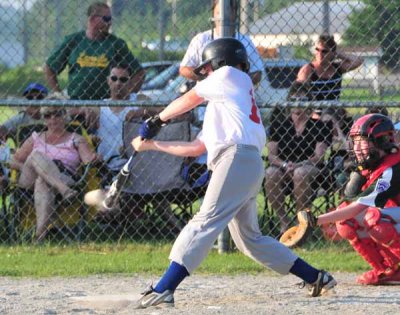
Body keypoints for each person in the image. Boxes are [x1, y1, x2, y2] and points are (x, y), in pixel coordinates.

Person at [130, 38, 336, 309]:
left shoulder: (231, 75)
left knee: (203, 222)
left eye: (208, 69)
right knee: (250, 240)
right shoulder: (227, 104)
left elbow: (189, 98)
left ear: (219, 62)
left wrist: (156, 120)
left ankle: (165, 287)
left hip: (237, 160)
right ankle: (315, 277)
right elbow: (196, 148)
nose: (205, 75)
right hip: (243, 163)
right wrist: (153, 145)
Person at [306, 113, 400, 285]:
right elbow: (348, 203)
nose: (356, 147)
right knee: (345, 222)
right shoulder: (373, 164)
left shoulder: (392, 167)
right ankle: (388, 270)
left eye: (363, 141)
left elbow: (359, 207)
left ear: (381, 141)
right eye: (355, 141)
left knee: (374, 218)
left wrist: (317, 220)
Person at [10, 106, 97, 242]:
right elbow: (13, 161)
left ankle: (39, 237)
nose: (53, 118)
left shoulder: (77, 139)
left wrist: (96, 156)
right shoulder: (35, 138)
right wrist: (33, 167)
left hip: (64, 175)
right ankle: (62, 188)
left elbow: (88, 160)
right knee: (35, 155)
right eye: (48, 115)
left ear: (65, 116)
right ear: (44, 119)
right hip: (30, 181)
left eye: (57, 114)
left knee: (42, 181)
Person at [264, 81, 332, 234]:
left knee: (300, 173)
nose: (298, 104)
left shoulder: (319, 126)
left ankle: (300, 222)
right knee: (270, 173)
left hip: (311, 169)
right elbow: (271, 155)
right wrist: (284, 165)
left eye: (302, 100)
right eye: (294, 100)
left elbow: (318, 157)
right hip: (284, 168)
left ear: (309, 104)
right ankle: (284, 221)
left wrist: (298, 165)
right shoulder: (279, 124)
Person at [44, 2, 144, 100]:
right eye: (106, 19)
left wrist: (126, 96)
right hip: (77, 103)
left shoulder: (116, 44)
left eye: (110, 19)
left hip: (105, 105)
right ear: (92, 19)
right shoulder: (73, 40)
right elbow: (49, 67)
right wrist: (58, 93)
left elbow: (139, 73)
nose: (109, 23)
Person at [179, 0, 263, 86]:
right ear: (213, 14)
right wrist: (206, 78)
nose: (221, 17)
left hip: (235, 94)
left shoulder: (244, 40)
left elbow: (258, 72)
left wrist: (237, 80)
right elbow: (184, 69)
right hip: (207, 95)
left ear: (234, 14)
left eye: (227, 12)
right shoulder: (201, 39)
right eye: (218, 12)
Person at [297, 34, 363, 101]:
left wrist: (338, 53)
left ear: (333, 53)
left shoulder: (337, 68)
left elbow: (358, 60)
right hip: (315, 109)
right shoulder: (308, 69)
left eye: (324, 51)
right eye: (317, 50)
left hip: (334, 109)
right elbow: (299, 92)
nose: (320, 54)